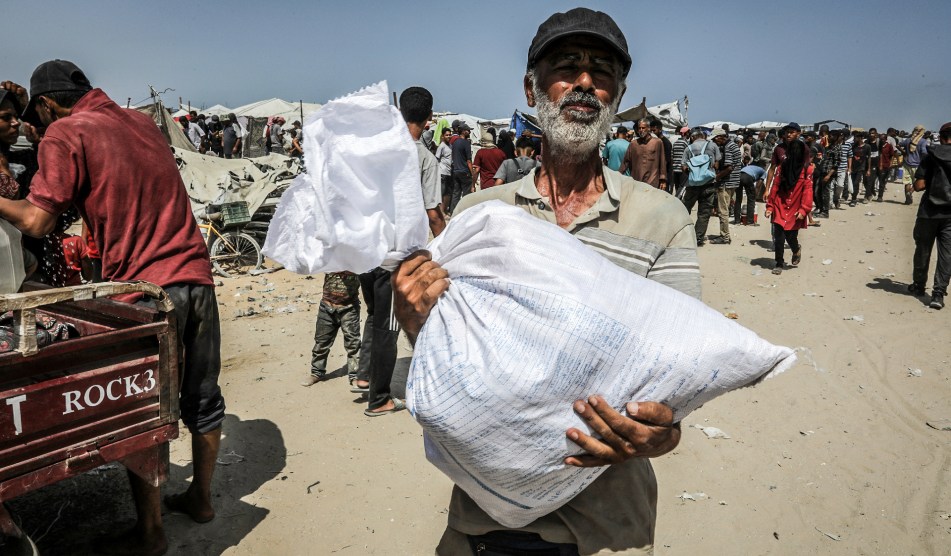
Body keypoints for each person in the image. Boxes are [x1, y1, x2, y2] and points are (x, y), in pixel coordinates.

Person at [393, 10, 690, 552]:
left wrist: (661, 432)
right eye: (566, 67)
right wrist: (417, 319)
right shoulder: (482, 214)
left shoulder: (663, 219)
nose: (583, 82)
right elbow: (449, 364)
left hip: (606, 529)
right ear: (531, 88)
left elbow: (673, 384)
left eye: (601, 72)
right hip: (483, 524)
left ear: (618, 95)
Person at [0, 60, 225, 556]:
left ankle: (151, 534)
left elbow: (36, 222)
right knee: (202, 398)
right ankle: (202, 500)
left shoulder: (65, 131)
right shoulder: (140, 121)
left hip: (144, 290)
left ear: (44, 104)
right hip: (196, 277)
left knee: (145, 410)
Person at [350, 86, 446, 416]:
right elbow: (434, 213)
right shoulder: (424, 158)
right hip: (394, 259)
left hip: (367, 249)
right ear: (429, 117)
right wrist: (444, 249)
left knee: (376, 316)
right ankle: (379, 399)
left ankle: (364, 377)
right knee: (389, 328)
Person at [909, 121, 951, 310]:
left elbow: (919, 186)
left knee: (923, 250)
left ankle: (918, 286)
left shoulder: (930, 156)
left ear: (941, 137)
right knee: (947, 255)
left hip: (928, 212)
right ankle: (938, 294)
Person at [302, 271, 362, 386]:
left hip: (349, 308)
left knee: (353, 344)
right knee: (321, 342)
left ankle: (355, 375)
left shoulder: (356, 260)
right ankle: (316, 373)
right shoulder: (330, 257)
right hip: (327, 306)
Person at [765, 138, 813, 275]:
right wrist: (770, 206)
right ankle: (779, 263)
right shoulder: (782, 167)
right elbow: (776, 186)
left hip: (796, 207)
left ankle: (796, 249)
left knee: (791, 236)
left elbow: (808, 190)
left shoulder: (807, 170)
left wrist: (804, 209)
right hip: (780, 203)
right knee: (778, 237)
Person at [681, 128, 722, 246]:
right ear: (702, 136)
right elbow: (717, 164)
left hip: (692, 185)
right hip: (709, 184)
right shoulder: (713, 146)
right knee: (704, 212)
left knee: (685, 209)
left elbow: (683, 167)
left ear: (693, 137)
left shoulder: (688, 148)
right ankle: (698, 238)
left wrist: (693, 175)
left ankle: (681, 233)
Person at [711, 128, 740, 244]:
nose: (714, 142)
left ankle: (724, 237)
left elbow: (729, 167)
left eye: (714, 139)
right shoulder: (733, 145)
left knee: (723, 211)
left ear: (720, 137)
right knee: (726, 209)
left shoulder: (728, 147)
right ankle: (725, 235)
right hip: (733, 182)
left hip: (726, 183)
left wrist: (716, 178)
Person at [619, 117, 666, 188]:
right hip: (636, 181)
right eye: (639, 128)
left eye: (643, 128)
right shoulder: (633, 144)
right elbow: (626, 162)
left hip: (652, 182)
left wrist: (663, 180)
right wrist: (618, 175)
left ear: (649, 128)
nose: (641, 130)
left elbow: (662, 161)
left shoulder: (657, 142)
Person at [448, 121, 474, 214]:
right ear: (463, 131)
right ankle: (465, 212)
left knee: (456, 193)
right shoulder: (466, 143)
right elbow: (469, 161)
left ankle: (453, 212)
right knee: (467, 194)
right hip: (464, 171)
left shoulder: (455, 143)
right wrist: (472, 174)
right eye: (468, 131)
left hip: (456, 171)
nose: (469, 132)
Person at [902, 125, 929, 205]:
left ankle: (907, 199)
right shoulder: (923, 141)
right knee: (916, 182)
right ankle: (910, 192)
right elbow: (924, 153)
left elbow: (898, 145)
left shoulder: (907, 140)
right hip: (917, 165)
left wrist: (904, 153)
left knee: (907, 182)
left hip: (907, 164)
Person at [848, 131, 871, 206]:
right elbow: (850, 156)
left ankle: (854, 199)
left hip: (861, 167)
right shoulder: (853, 146)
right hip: (853, 167)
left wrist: (868, 169)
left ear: (861, 138)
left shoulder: (867, 147)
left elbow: (869, 158)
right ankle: (853, 197)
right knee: (852, 183)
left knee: (856, 183)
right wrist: (849, 167)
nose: (855, 139)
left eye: (857, 137)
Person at [434, 127, 453, 209]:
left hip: (449, 172)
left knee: (448, 193)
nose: (448, 136)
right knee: (442, 192)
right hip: (442, 172)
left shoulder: (450, 146)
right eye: (446, 135)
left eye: (449, 135)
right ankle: (441, 211)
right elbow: (436, 159)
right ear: (443, 136)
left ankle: (444, 210)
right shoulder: (441, 146)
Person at [651, 118, 673, 188]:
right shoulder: (653, 142)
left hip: (663, 177)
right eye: (651, 131)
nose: (652, 133)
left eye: (654, 130)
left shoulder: (666, 143)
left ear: (660, 129)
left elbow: (666, 161)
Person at [670, 126, 690, 196]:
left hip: (675, 169)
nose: (689, 135)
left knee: (677, 186)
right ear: (684, 133)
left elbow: (672, 156)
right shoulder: (685, 143)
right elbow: (688, 156)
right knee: (682, 187)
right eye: (688, 133)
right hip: (682, 170)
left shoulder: (675, 143)